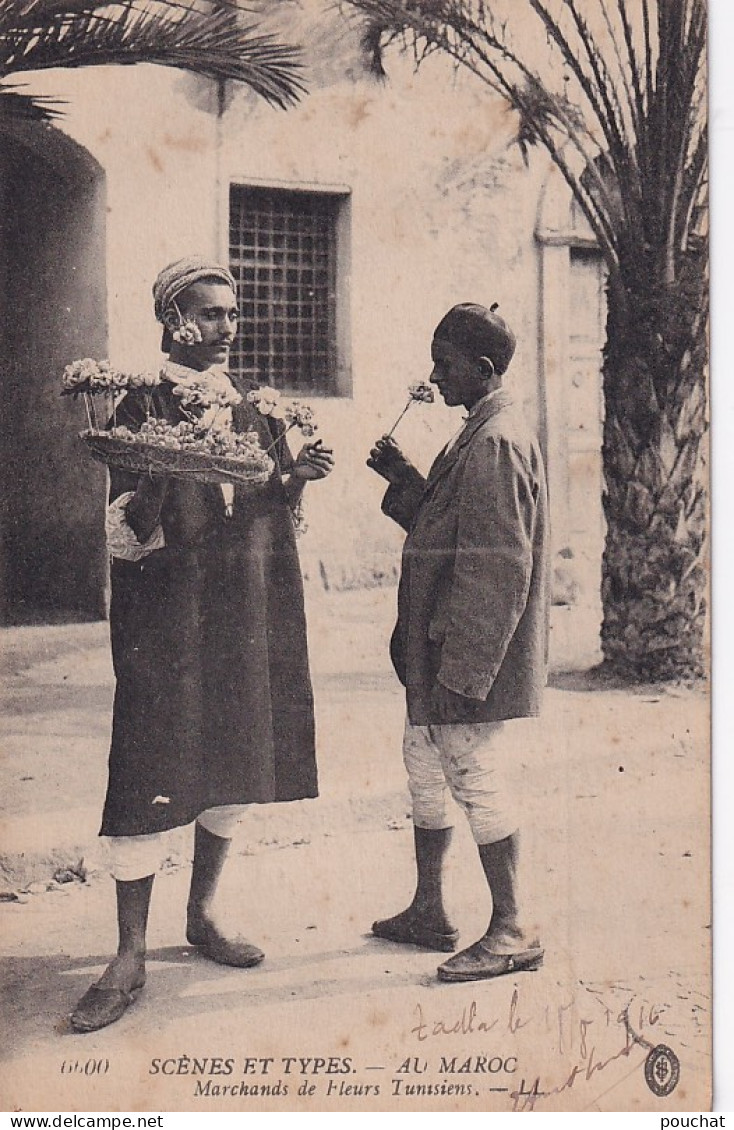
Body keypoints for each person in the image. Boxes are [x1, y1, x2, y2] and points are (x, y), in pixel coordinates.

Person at [70, 256, 334, 1032]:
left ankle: (204, 915)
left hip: (244, 608)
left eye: (233, 313)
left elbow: (261, 499)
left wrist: (297, 477)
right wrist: (156, 471)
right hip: (168, 619)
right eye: (210, 314)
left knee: (237, 755)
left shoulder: (254, 406)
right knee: (149, 764)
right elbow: (126, 534)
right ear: (172, 321)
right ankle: (127, 956)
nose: (227, 328)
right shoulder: (134, 403)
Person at [367, 302, 549, 982]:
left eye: (444, 365)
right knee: (423, 758)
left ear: (483, 368)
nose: (434, 376)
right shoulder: (476, 430)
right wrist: (406, 481)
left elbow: (497, 568)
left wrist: (465, 675)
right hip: (434, 650)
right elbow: (446, 527)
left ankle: (512, 927)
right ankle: (429, 909)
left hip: (462, 654)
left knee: (472, 771)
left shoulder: (498, 441)